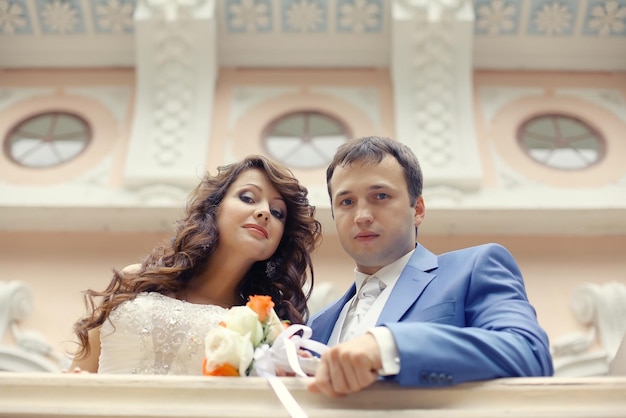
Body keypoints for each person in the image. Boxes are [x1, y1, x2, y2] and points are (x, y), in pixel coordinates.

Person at [307, 136, 553, 397]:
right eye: (346, 202)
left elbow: (529, 353)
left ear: (419, 210)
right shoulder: (316, 325)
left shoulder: (474, 268)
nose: (362, 216)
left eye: (380, 196)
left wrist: (388, 346)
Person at [70, 155, 322, 374]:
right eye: (248, 197)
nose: (264, 212)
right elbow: (75, 379)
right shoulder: (135, 280)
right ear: (215, 208)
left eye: (278, 213)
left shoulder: (267, 327)